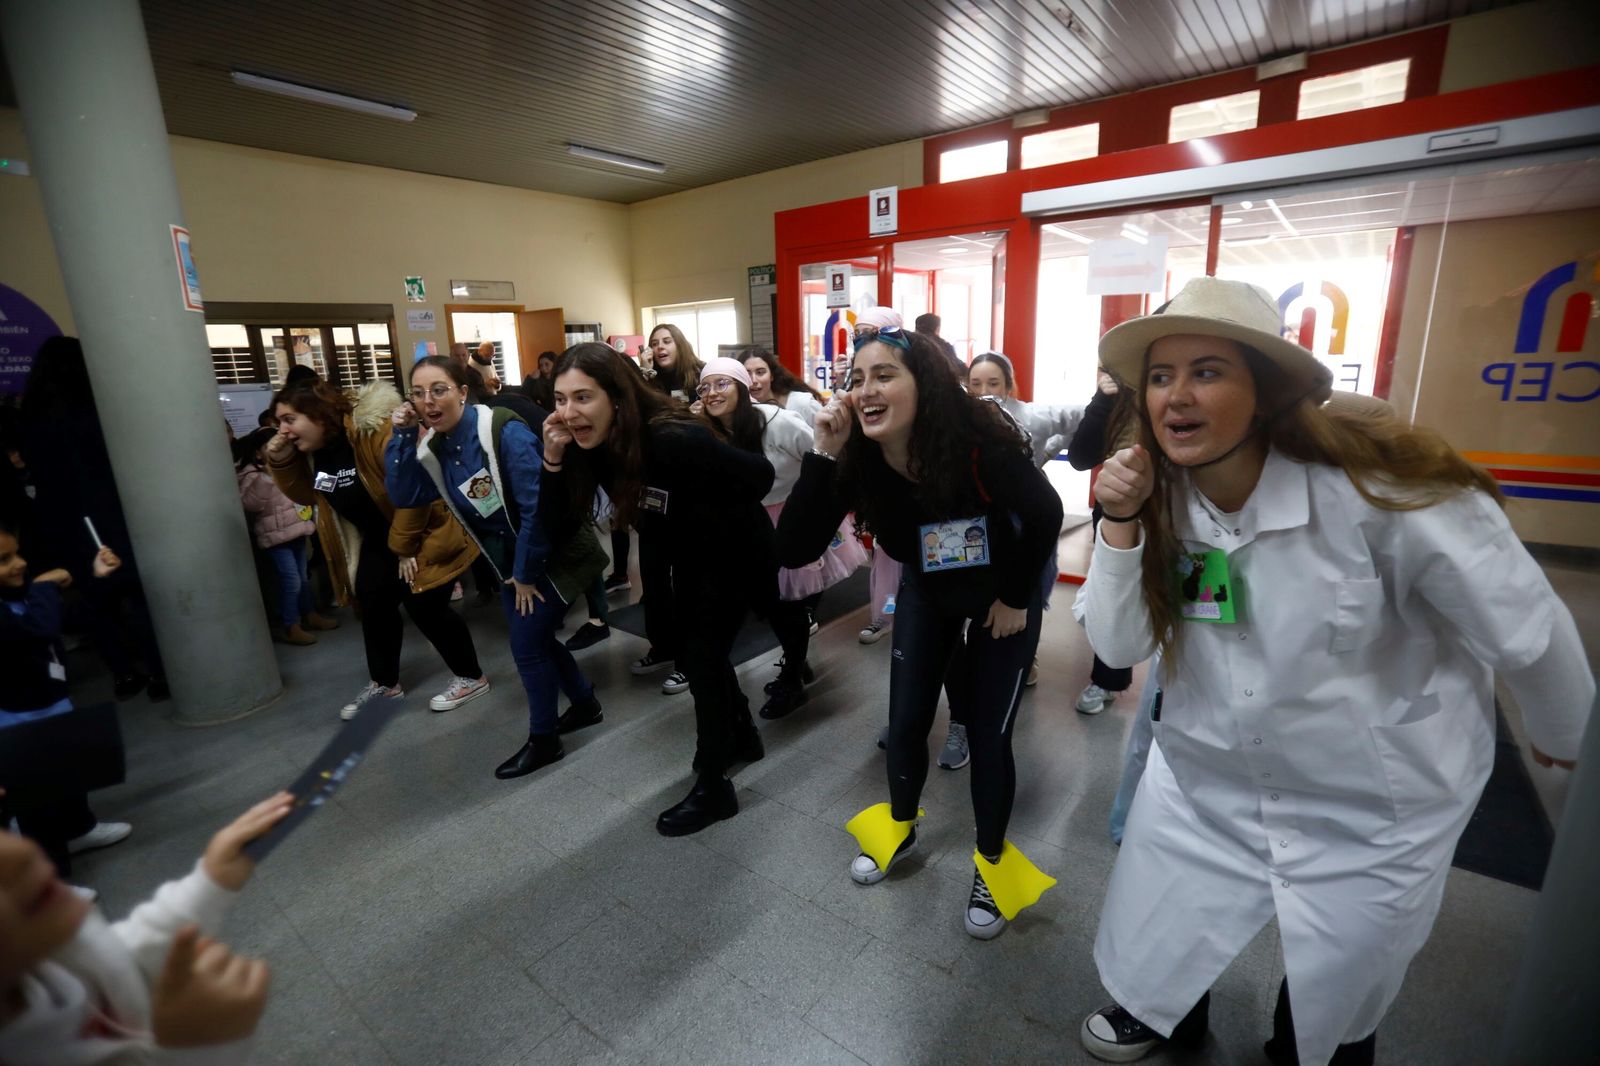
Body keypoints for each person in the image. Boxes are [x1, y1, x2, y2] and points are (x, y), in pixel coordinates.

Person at [1073, 276, 1593, 1065]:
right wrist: (1117, 525)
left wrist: (1564, 746)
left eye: (1207, 370)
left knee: (1340, 984)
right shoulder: (1157, 495)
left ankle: (1309, 1045)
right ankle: (1163, 1012)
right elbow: (1117, 648)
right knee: (1163, 923)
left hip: (1373, 804)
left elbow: (1530, 628)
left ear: (1267, 391)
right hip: (1209, 776)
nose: (1177, 394)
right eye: (1160, 375)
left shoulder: (1383, 489)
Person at [777, 325, 1063, 940]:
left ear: (923, 384)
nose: (867, 390)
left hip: (999, 597)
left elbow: (1045, 514)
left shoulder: (978, 443)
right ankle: (900, 828)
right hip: (928, 591)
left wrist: (1016, 597)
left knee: (990, 736)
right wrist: (823, 453)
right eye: (856, 380)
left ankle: (990, 865)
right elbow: (795, 547)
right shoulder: (856, 458)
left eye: (885, 375)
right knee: (905, 721)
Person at [543, 343, 774, 835]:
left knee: (703, 661)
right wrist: (552, 457)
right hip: (689, 554)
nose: (568, 412)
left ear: (617, 398)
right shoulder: (595, 445)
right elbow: (556, 523)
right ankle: (742, 738)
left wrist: (710, 497)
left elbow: (760, 475)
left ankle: (716, 788)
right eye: (560, 399)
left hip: (734, 549)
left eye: (582, 397)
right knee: (698, 656)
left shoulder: (670, 438)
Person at [386, 356, 606, 779]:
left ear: (463, 393)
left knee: (526, 647)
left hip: (551, 553)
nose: (429, 402)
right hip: (507, 561)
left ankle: (545, 741)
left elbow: (536, 508)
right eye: (418, 393)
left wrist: (525, 574)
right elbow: (405, 494)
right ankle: (584, 703)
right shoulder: (433, 445)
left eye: (439, 389)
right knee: (537, 640)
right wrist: (400, 436)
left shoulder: (502, 429)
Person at [0, 792, 293, 1064]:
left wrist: (208, 884)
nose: (21, 853)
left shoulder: (43, 952)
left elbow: (119, 960)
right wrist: (197, 1047)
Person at [265, 380, 488, 720]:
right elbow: (310, 496)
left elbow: (413, 490)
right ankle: (385, 685)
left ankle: (472, 677)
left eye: (289, 419)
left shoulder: (372, 432)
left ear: (318, 415)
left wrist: (405, 547)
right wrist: (281, 462)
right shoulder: (315, 452)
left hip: (423, 529)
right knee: (373, 603)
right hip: (379, 538)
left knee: (424, 604)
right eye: (279, 421)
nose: (283, 430)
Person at [696, 357, 865, 718]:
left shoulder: (777, 422)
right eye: (705, 386)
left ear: (742, 389)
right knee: (769, 604)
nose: (712, 393)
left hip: (790, 516)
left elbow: (821, 457)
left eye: (722, 384)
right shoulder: (708, 430)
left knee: (785, 604)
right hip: (746, 522)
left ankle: (792, 677)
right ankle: (796, 662)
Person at [19, 337, 167, 702]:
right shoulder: (97, 411)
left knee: (97, 603)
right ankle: (160, 674)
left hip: (64, 522)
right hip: (113, 512)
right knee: (137, 595)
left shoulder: (30, 420)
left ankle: (122, 674)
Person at [0, 521, 131, 887]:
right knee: (36, 810)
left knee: (70, 779)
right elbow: (37, 631)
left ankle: (78, 828)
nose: (19, 564)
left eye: (17, 553)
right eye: (3, 559)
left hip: (52, 702)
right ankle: (50, 884)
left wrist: (97, 576)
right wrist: (44, 586)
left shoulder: (21, 593)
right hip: (15, 720)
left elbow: (72, 617)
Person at [1067, 367, 1135, 715]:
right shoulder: (1118, 393)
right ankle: (1107, 679)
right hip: (1121, 512)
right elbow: (1080, 457)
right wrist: (1103, 399)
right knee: (1114, 594)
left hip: (1184, 509)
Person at [233, 428, 336, 646]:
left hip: (297, 530)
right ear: (258, 453)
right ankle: (291, 626)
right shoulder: (253, 476)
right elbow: (250, 505)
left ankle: (310, 615)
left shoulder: (291, 467)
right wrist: (268, 476)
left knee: (303, 578)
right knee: (291, 581)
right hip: (275, 538)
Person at [743, 348, 824, 428]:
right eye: (747, 374)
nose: (753, 380)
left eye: (760, 372)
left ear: (772, 375)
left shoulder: (803, 403)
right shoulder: (741, 411)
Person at [644, 323, 704, 400]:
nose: (660, 346)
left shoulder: (700, 372)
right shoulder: (650, 376)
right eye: (654, 344)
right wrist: (645, 373)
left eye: (667, 341)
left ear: (680, 346)